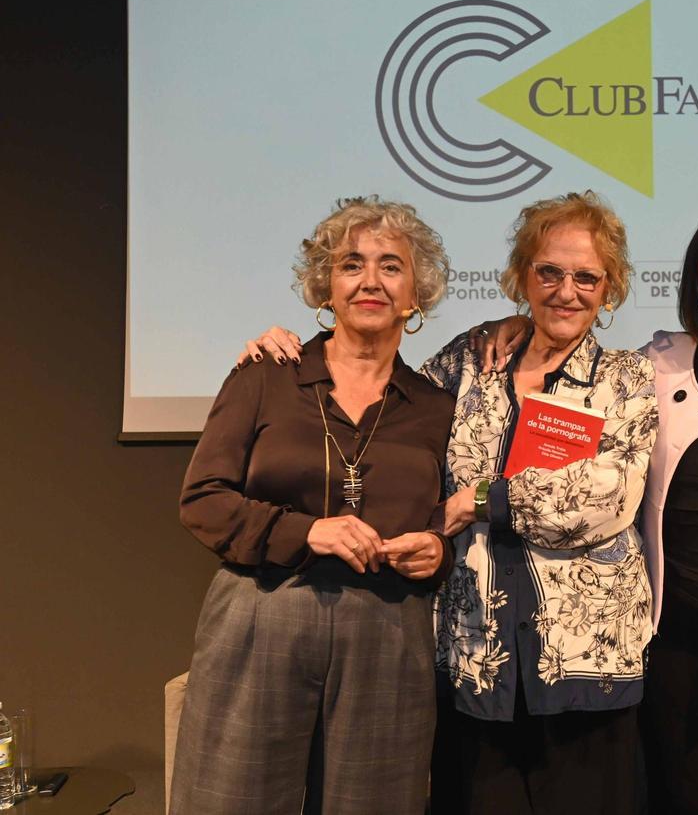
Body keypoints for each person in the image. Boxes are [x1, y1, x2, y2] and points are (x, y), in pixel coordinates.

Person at [244, 191, 659, 815]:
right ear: (522, 277)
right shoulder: (469, 361)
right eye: (548, 271)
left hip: (587, 663)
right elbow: (383, 409)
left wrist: (482, 501)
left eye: (586, 277)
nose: (565, 290)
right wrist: (293, 345)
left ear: (611, 288)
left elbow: (606, 496)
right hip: (474, 658)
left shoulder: (627, 378)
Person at [472, 202, 698, 814]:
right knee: (680, 796)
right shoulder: (654, 364)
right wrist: (512, 324)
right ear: (694, 276)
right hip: (674, 633)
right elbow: (567, 346)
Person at [171, 196, 456, 815]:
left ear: (416, 294)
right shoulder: (265, 374)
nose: (371, 280)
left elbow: (446, 519)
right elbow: (203, 500)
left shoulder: (436, 405)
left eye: (391, 265)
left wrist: (438, 549)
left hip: (387, 628)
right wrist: (305, 532)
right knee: (232, 800)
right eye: (352, 264)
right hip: (263, 611)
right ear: (327, 287)